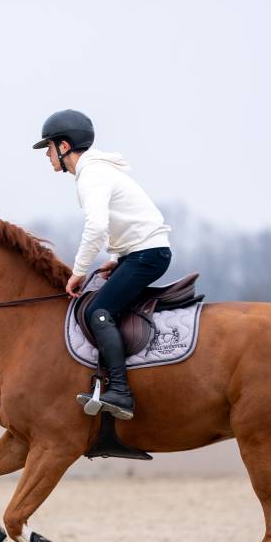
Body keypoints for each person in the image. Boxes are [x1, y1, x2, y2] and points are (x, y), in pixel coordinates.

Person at [33, 109, 172, 420]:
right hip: (140, 253)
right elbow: (125, 223)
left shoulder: (92, 175)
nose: (47, 156)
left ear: (64, 147)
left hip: (146, 255)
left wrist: (79, 272)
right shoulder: (96, 172)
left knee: (99, 312)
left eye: (49, 148)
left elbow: (96, 228)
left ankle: (120, 392)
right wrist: (115, 259)